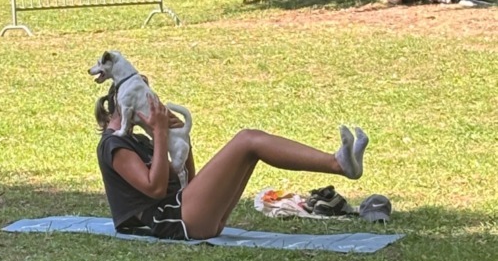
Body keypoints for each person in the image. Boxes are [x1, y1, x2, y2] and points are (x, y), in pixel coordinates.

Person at [95, 85, 370, 240]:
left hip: (187, 215)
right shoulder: (113, 145)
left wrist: (179, 138)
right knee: (247, 140)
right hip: (174, 222)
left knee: (250, 149)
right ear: (125, 102)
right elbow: (154, 189)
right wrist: (159, 133)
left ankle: (339, 163)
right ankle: (336, 163)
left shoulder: (139, 140)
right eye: (145, 96)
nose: (152, 102)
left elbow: (187, 182)